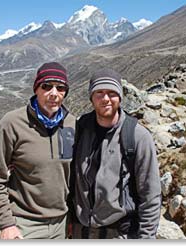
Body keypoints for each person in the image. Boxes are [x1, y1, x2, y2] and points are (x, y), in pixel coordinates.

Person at [0, 62, 75, 239]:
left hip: (62, 224)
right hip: (24, 224)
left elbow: (73, 177)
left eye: (60, 88)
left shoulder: (72, 124)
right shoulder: (12, 123)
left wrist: (73, 218)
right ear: (36, 89)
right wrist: (7, 223)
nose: (54, 94)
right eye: (47, 86)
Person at [69, 68, 161, 239]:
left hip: (119, 234)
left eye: (111, 93)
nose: (105, 99)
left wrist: (147, 237)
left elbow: (150, 194)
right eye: (99, 93)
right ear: (91, 97)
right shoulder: (80, 129)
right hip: (80, 232)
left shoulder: (137, 136)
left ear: (120, 96)